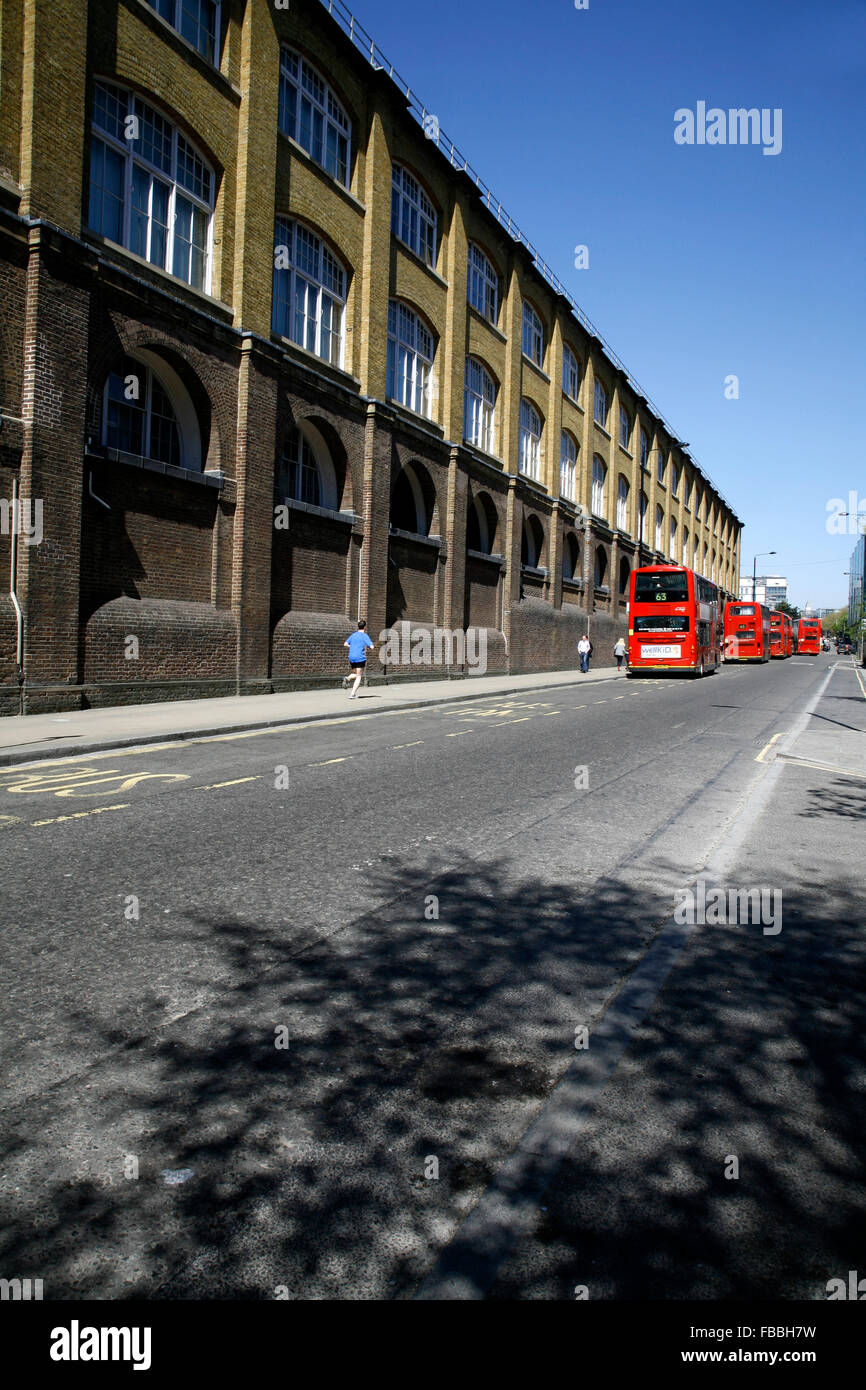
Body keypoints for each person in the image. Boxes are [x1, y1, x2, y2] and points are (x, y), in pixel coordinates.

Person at [344, 619, 374, 698]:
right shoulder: (364, 636)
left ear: (358, 626)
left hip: (351, 657)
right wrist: (370, 645)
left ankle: (347, 678)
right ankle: (352, 694)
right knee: (359, 676)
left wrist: (352, 647)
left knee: (356, 673)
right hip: (360, 657)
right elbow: (372, 647)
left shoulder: (353, 635)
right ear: (365, 627)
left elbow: (345, 644)